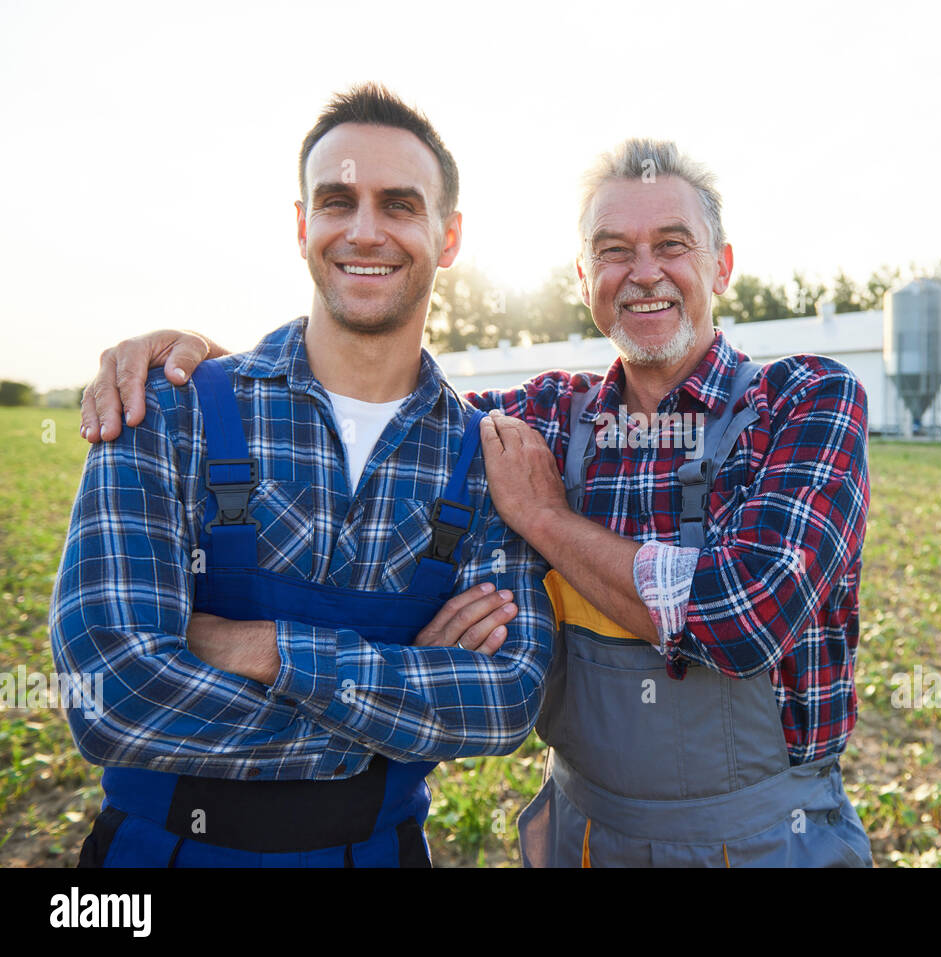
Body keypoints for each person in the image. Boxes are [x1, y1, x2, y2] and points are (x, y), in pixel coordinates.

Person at [81, 140, 872, 868]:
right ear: (581, 277)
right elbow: (379, 388)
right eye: (612, 251)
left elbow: (739, 619)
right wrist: (223, 376)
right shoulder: (543, 420)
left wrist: (547, 520)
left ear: (722, 264)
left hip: (767, 840)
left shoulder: (803, 403)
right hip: (583, 837)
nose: (644, 272)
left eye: (672, 245)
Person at [51, 83, 553, 868]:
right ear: (300, 225)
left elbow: (502, 702)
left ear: (448, 236)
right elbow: (111, 692)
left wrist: (260, 648)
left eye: (397, 204)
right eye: (336, 201)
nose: (363, 231)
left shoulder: (488, 461)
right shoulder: (165, 409)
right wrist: (387, 721)